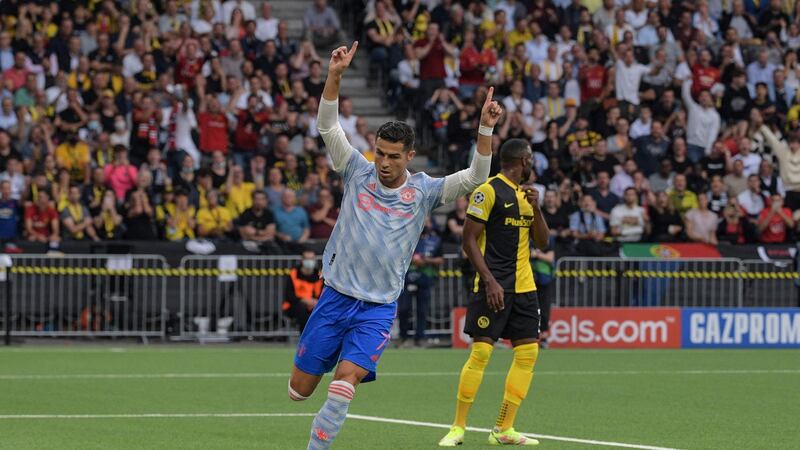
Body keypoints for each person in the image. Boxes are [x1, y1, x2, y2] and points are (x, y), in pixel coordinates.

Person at [290, 42, 501, 450]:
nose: (383, 163)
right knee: (299, 390)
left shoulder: (424, 191)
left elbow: (476, 177)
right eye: (379, 154)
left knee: (346, 379)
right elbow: (328, 128)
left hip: (378, 307)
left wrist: (485, 128)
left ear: (410, 156)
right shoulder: (355, 170)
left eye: (392, 157)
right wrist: (334, 74)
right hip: (334, 297)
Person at [439, 138, 549, 447]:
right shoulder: (487, 191)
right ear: (523, 161)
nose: (532, 166)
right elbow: (468, 240)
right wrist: (488, 280)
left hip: (525, 288)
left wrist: (537, 209)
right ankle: (458, 427)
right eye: (531, 161)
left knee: (528, 353)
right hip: (493, 288)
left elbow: (543, 243)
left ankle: (503, 428)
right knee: (482, 353)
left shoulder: (528, 196)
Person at [398, 217, 443, 347]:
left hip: (425, 278)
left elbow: (441, 260)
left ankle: (420, 338)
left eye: (427, 221)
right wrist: (412, 259)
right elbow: (398, 256)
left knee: (422, 310)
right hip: (406, 279)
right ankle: (403, 337)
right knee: (404, 309)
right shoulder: (406, 238)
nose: (424, 224)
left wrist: (425, 260)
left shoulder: (435, 240)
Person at [283, 249, 323, 332]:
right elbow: (289, 295)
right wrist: (304, 300)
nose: (309, 261)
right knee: (301, 309)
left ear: (315, 260)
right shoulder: (293, 273)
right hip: (294, 305)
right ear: (302, 260)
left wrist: (314, 302)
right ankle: (303, 336)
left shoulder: (320, 275)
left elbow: (322, 294)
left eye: (311, 259)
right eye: (307, 259)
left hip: (314, 305)